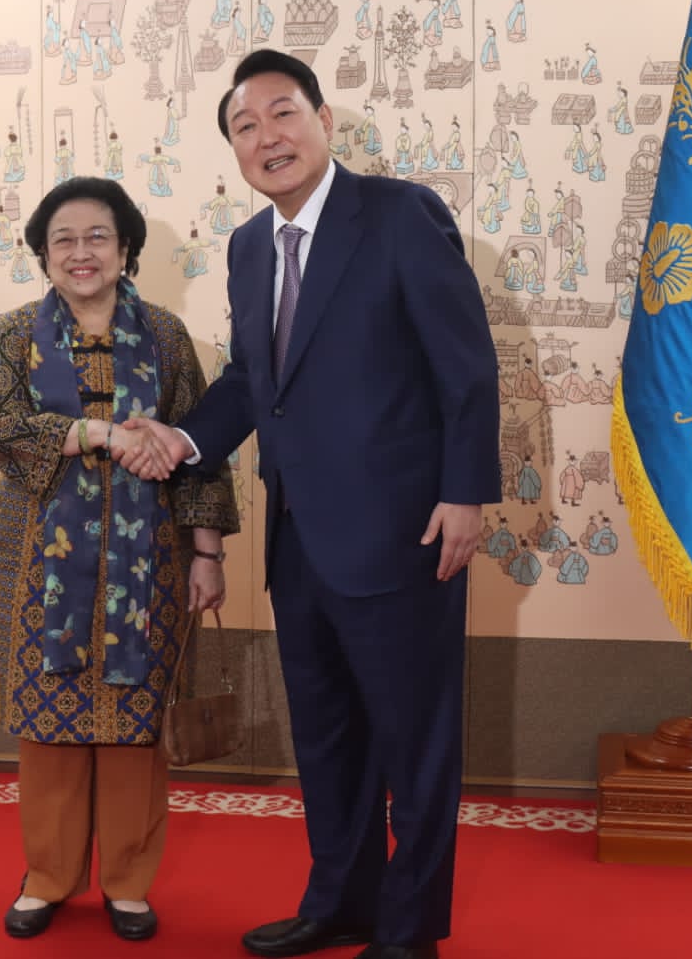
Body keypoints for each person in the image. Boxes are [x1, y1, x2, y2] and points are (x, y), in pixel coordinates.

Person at [119, 49, 500, 959]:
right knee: (328, 743)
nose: (266, 137)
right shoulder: (250, 248)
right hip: (297, 542)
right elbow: (255, 381)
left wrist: (465, 493)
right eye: (245, 128)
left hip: (406, 534)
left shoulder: (400, 215)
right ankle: (340, 901)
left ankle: (408, 932)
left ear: (324, 121)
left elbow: (467, 365)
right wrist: (182, 438)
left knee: (415, 746)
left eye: (282, 114)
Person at [0, 177, 240, 944]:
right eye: (64, 240)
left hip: (146, 561)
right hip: (36, 562)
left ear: (125, 250)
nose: (80, 253)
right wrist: (95, 433)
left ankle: (127, 881)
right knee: (48, 725)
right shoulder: (17, 332)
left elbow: (203, 452)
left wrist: (207, 551)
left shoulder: (164, 335)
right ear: (43, 254)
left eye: (97, 237)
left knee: (134, 724)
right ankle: (47, 878)